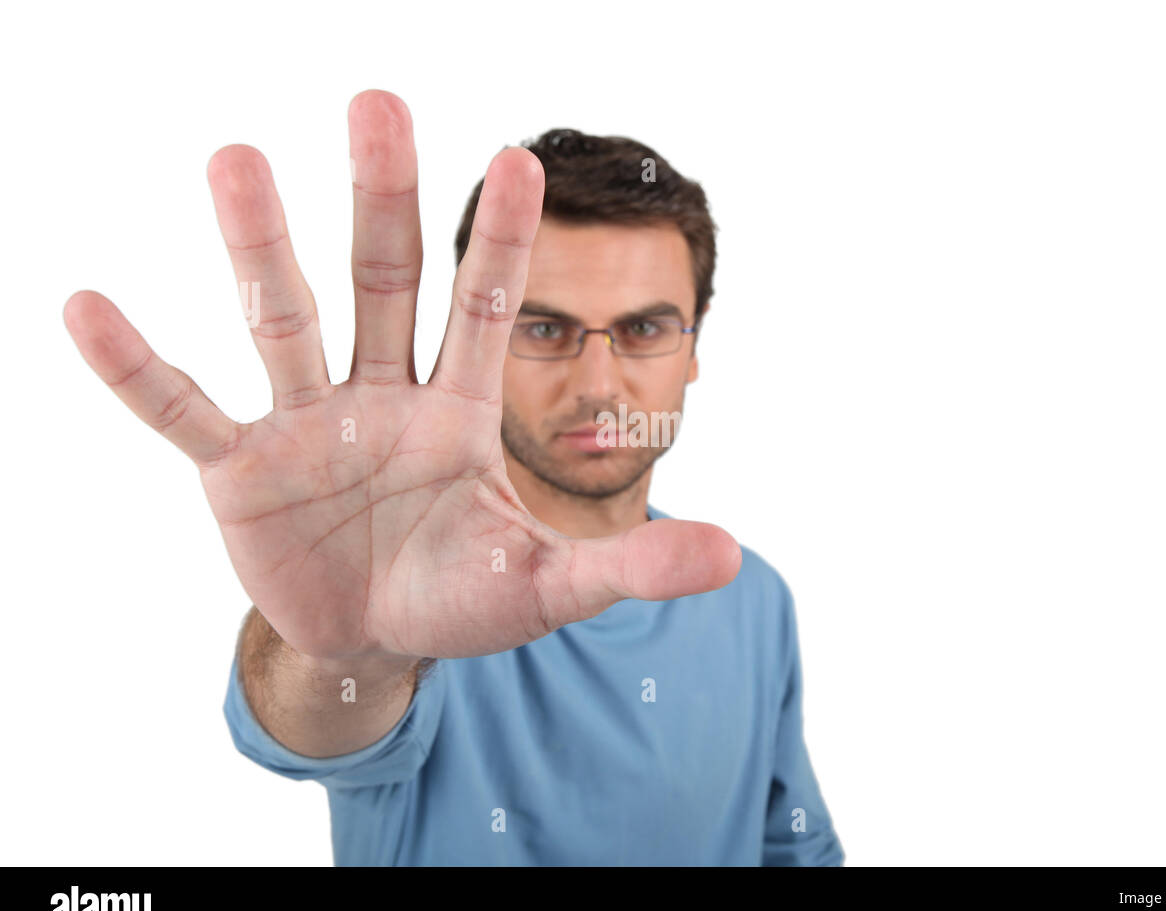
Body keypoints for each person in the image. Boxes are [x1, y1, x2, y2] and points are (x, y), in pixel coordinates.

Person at [63, 89, 844, 866]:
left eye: (643, 328)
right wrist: (351, 653)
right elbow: (317, 729)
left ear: (695, 346)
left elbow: (794, 850)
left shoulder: (754, 597)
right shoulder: (423, 585)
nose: (599, 382)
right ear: (489, 332)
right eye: (544, 328)